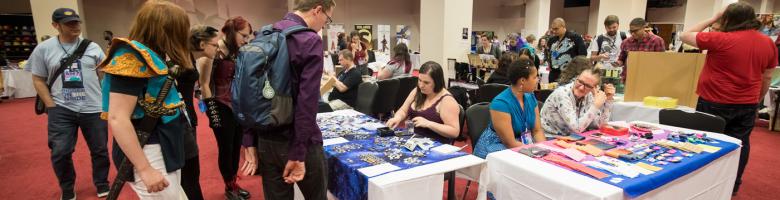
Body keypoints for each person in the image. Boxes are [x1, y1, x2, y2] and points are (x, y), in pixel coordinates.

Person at [680, 2, 777, 195]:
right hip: (747, 103)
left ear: (728, 19)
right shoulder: (768, 43)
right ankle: (733, 185)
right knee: (740, 144)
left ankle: (702, 181)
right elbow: (766, 77)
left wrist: (714, 17)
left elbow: (684, 35)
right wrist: (756, 100)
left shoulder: (720, 39)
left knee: (706, 141)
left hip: (713, 100)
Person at [241, 1, 335, 199]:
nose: (324, 24)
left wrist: (249, 139)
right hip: (298, 141)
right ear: (317, 10)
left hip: (265, 139)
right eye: (327, 18)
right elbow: (307, 102)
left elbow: (248, 93)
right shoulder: (309, 40)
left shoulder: (263, 35)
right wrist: (299, 152)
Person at [100, 1, 192, 198]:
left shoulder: (153, 54)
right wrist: (144, 168)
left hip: (163, 142)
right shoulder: (131, 57)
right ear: (166, 30)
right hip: (147, 147)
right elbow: (118, 118)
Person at [27, 7, 109, 200]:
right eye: (69, 23)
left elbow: (105, 73)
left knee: (100, 149)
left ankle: (102, 182)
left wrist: (105, 99)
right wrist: (51, 105)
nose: (75, 26)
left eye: (77, 22)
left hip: (93, 107)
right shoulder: (44, 48)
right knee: (60, 152)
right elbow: (38, 78)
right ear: (56, 26)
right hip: (61, 108)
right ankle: (67, 187)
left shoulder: (92, 47)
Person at [199, 17, 253, 200]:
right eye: (243, 35)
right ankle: (229, 187)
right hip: (220, 107)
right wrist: (213, 115)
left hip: (237, 106)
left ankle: (233, 184)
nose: (246, 40)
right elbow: (204, 85)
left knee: (237, 146)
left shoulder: (237, 52)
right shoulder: (214, 52)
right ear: (232, 32)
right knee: (226, 148)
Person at [473, 58, 546, 158]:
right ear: (523, 81)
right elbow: (510, 143)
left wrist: (544, 150)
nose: (538, 80)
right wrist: (535, 152)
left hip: (520, 144)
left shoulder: (531, 97)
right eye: (534, 77)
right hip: (496, 147)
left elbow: (537, 131)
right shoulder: (501, 103)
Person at [181, 25, 220, 200]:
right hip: (180, 121)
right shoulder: (180, 60)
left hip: (189, 119)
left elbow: (203, 86)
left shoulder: (191, 59)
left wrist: (214, 116)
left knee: (191, 172)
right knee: (188, 173)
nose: (217, 48)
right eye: (214, 45)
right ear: (202, 44)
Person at [386, 61, 461, 144]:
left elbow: (454, 132)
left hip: (435, 147)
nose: (421, 85)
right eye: (419, 80)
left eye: (426, 82)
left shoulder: (447, 100)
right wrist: (397, 118)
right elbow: (403, 110)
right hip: (412, 141)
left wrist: (428, 124)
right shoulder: (417, 91)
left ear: (437, 82)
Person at [540, 69, 614, 136]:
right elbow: (577, 129)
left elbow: (601, 125)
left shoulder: (590, 94)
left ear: (594, 88)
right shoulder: (562, 94)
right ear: (576, 78)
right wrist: (595, 106)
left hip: (572, 137)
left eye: (587, 86)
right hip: (550, 137)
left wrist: (608, 100)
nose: (581, 87)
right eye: (580, 82)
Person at [547, 18, 588, 83]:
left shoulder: (575, 37)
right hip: (553, 74)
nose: (554, 31)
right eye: (552, 29)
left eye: (556, 29)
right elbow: (550, 53)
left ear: (563, 26)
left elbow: (583, 55)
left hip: (569, 74)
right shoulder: (552, 40)